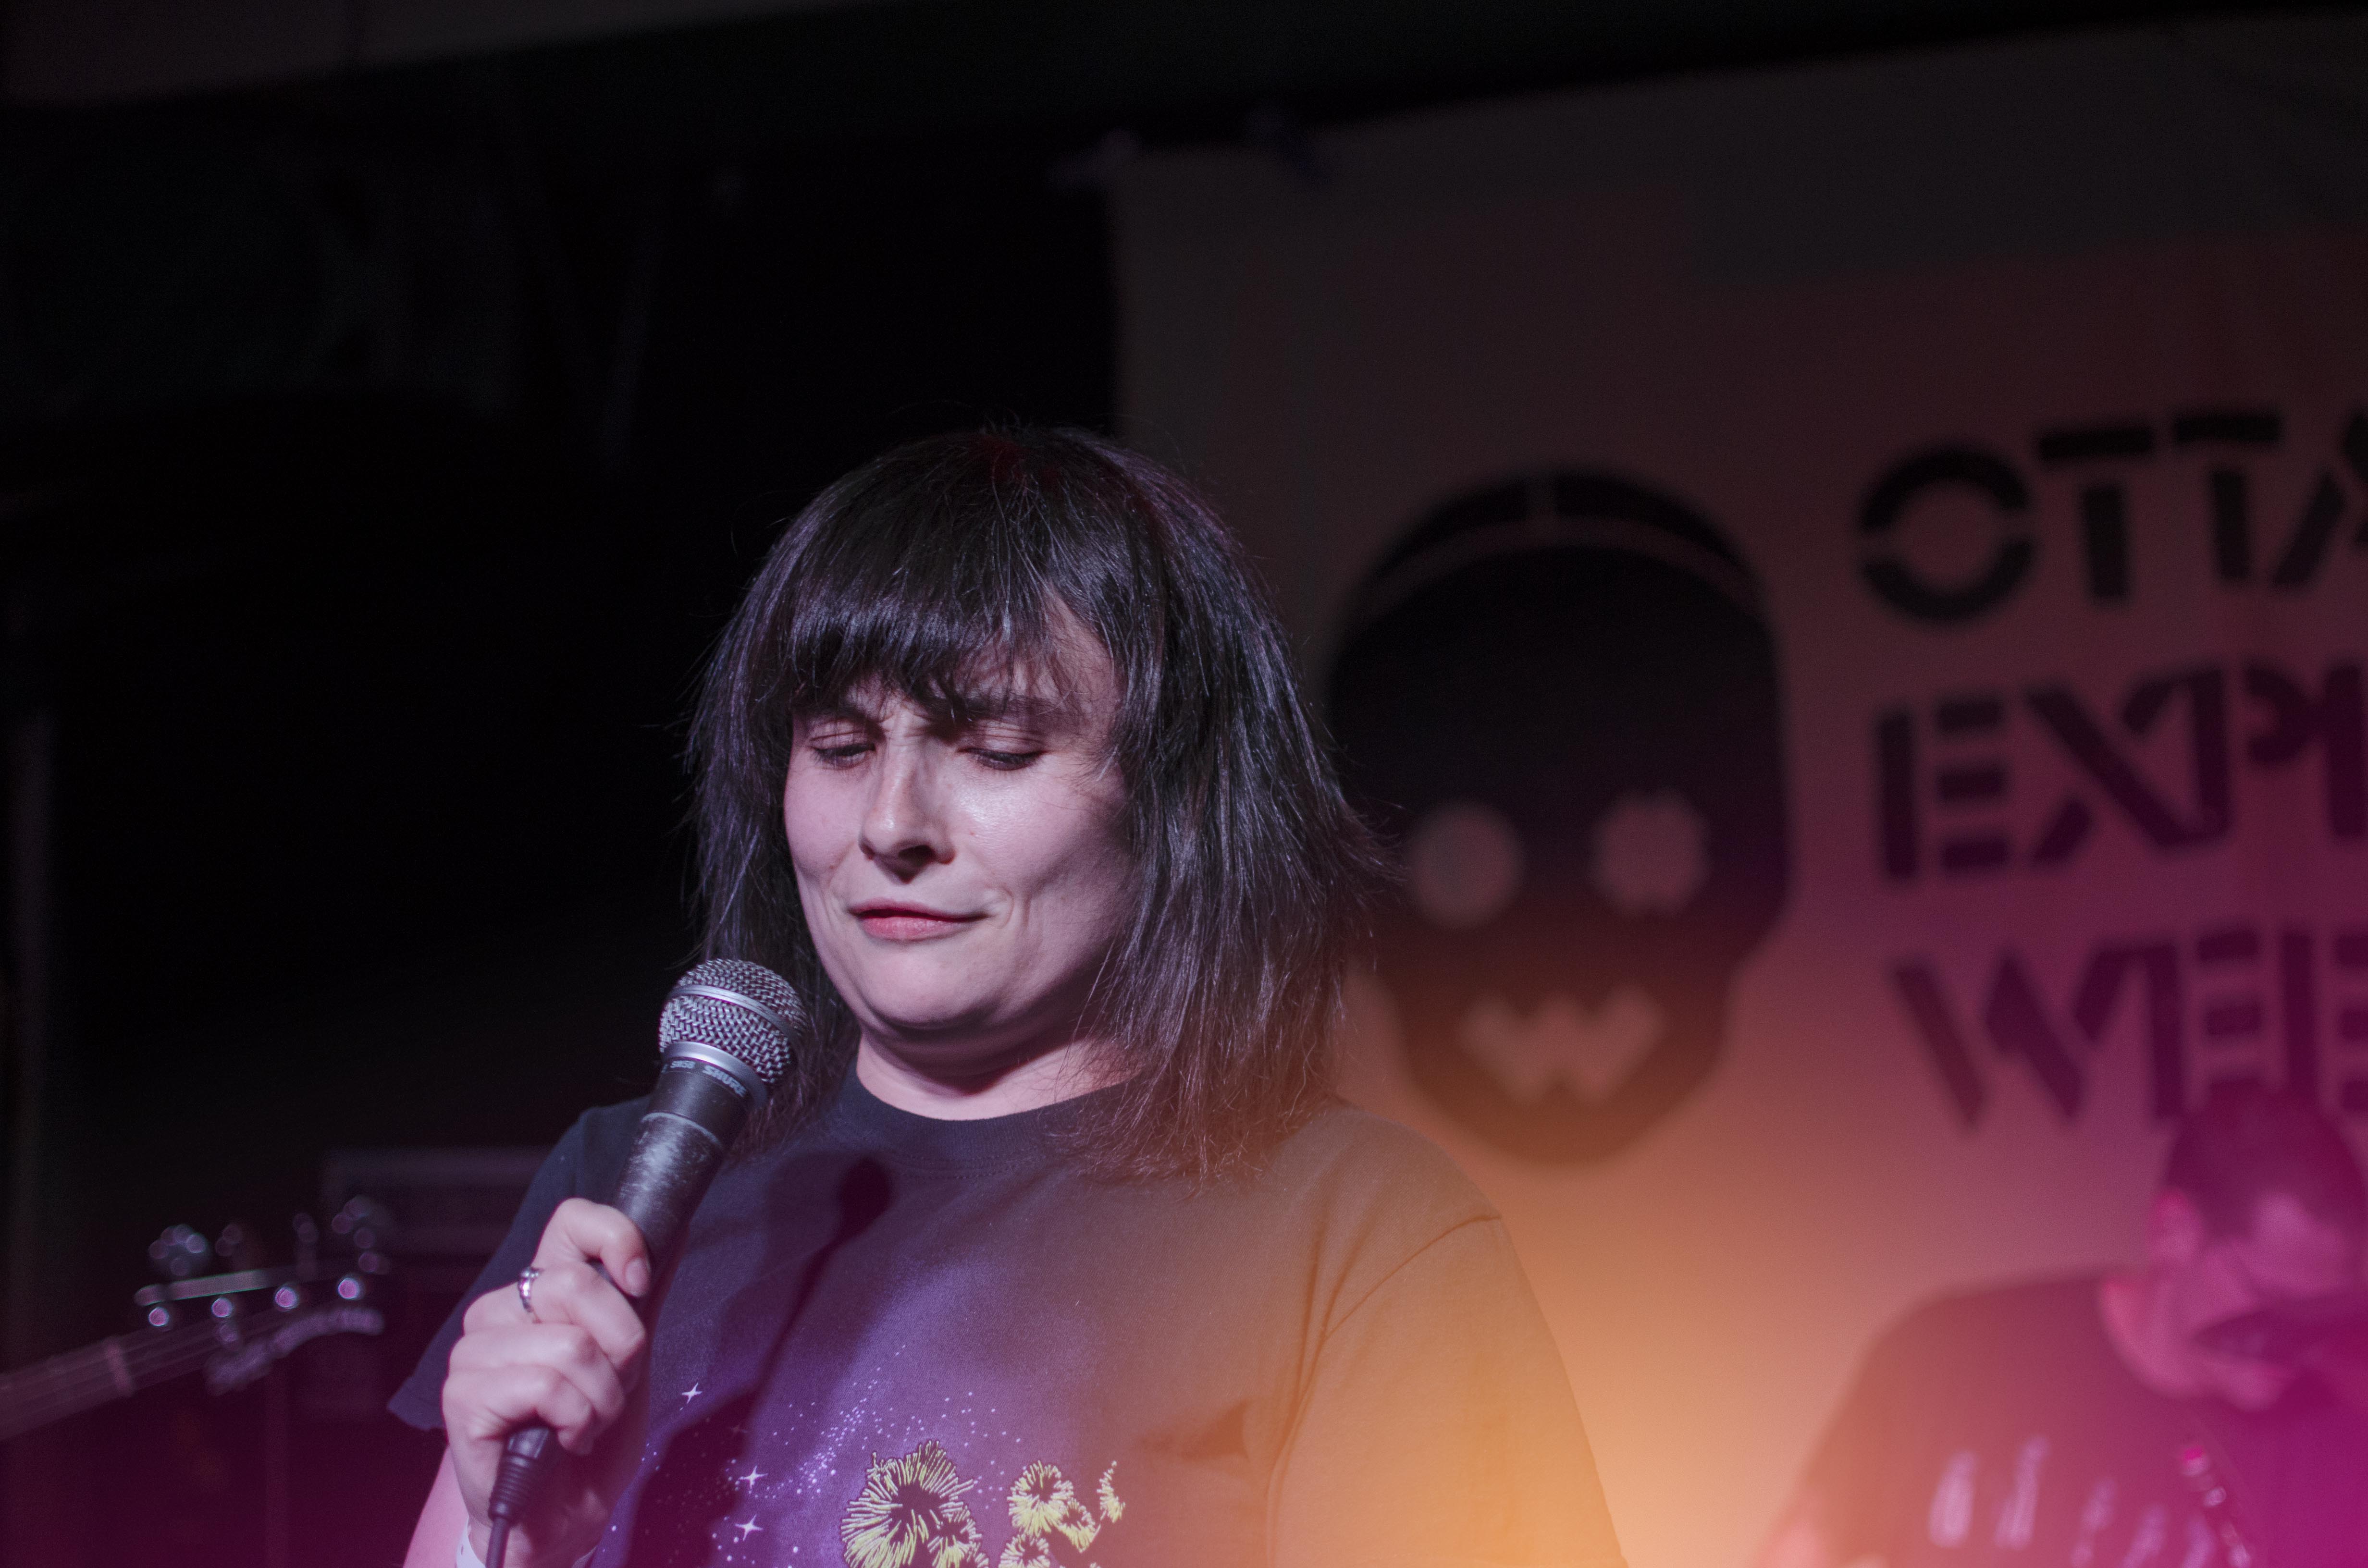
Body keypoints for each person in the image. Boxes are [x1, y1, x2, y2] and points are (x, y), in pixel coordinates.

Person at [394, 428, 1628, 1568]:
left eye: (994, 752)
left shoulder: (1352, 1231)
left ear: (1177, 800)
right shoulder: (625, 1194)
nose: (891, 824)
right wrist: (512, 1544)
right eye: (840, 748)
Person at [1754, 1085, 2368, 1568]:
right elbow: (1803, 1547)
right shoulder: (1948, 1358)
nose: (2295, 1342)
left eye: (2320, 1315)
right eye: (2270, 1299)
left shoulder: (2331, 1456)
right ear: (2172, 1234)